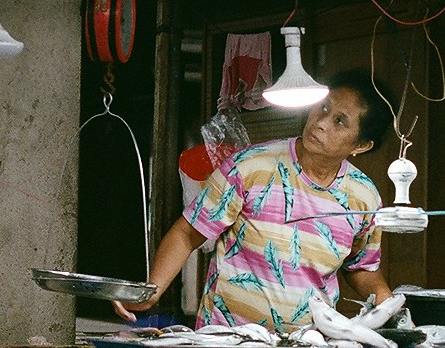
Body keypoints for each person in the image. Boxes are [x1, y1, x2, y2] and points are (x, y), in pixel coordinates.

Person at [125, 70, 394, 333]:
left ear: (361, 145)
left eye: (340, 121)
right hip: (226, 341)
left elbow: (362, 267)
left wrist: (390, 306)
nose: (321, 122)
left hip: (309, 347)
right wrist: (152, 291)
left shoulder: (363, 197)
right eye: (323, 108)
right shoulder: (249, 166)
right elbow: (187, 233)